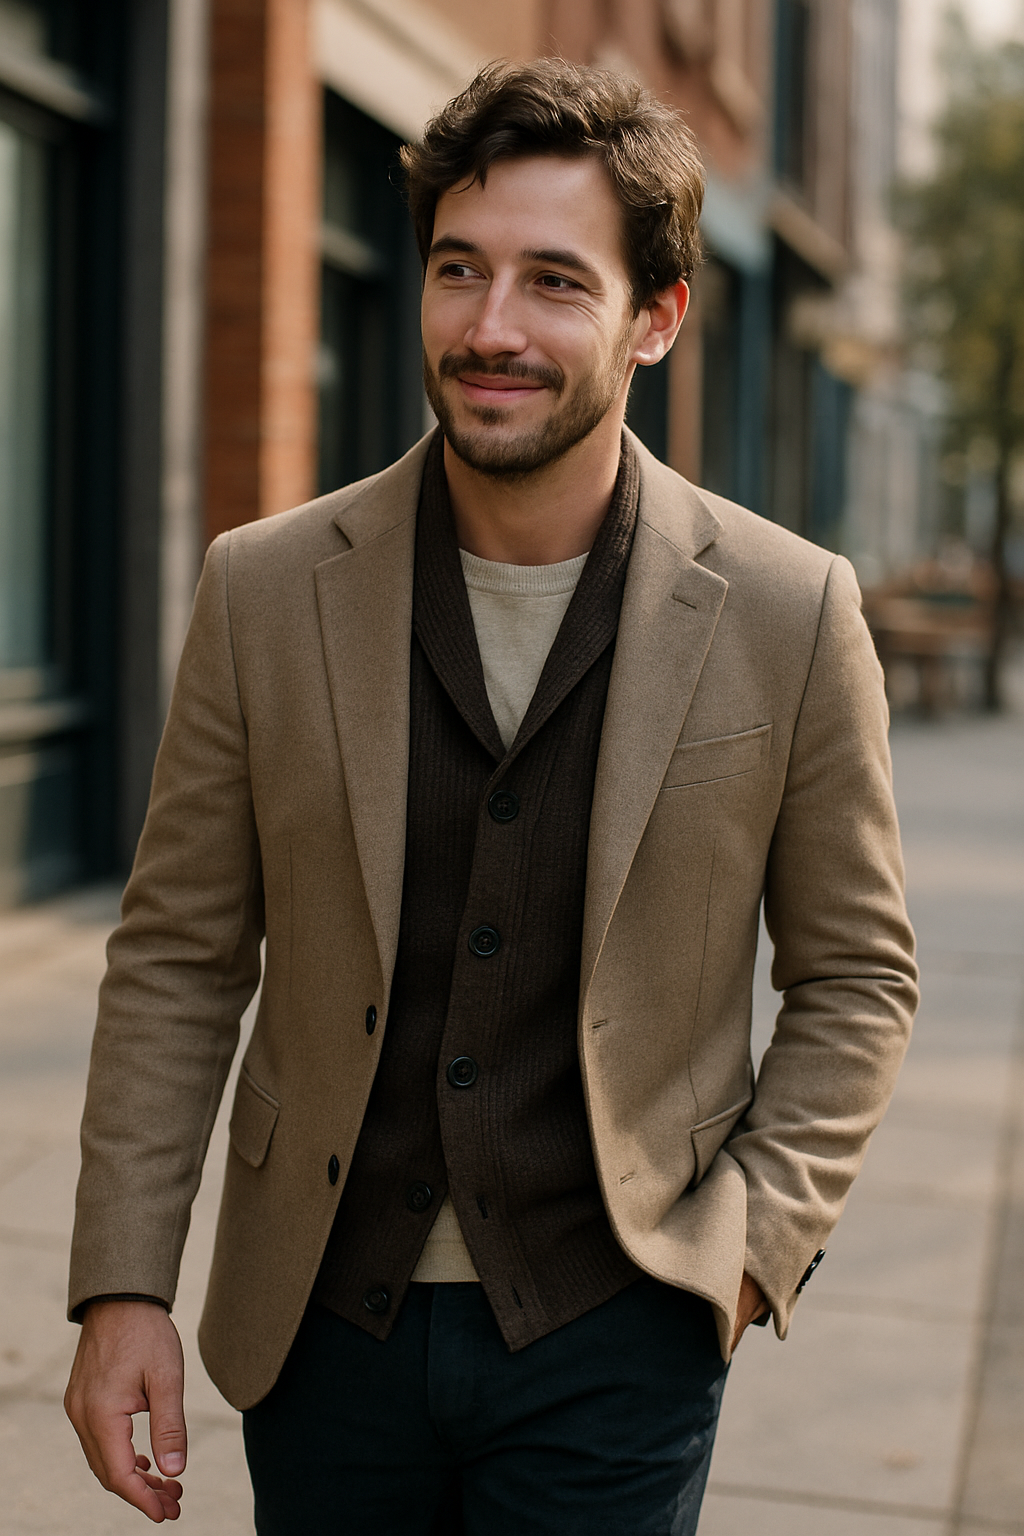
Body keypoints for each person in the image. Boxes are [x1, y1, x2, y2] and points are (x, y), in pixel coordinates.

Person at [64, 59, 918, 1535]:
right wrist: (124, 1282)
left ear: (656, 319)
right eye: (460, 269)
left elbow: (858, 977)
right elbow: (178, 960)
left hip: (621, 1331)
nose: (492, 327)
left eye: (553, 281)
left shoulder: (791, 610)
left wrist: (748, 1253)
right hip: (325, 1327)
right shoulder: (261, 589)